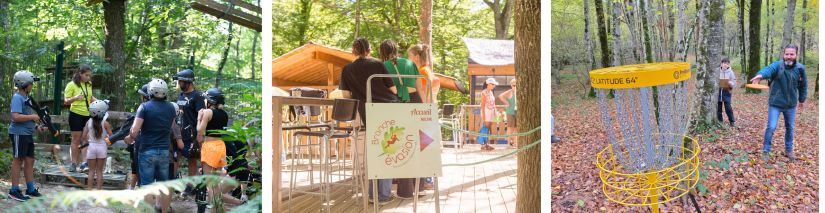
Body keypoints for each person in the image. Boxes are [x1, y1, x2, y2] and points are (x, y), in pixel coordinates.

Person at [338, 38, 398, 205]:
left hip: (367, 112)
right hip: (388, 109)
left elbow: (346, 95)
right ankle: (383, 195)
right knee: (388, 150)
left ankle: (373, 194)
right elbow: (393, 89)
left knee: (375, 152)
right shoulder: (378, 64)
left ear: (353, 51)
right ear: (369, 50)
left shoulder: (347, 69)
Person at [379, 39, 425, 199]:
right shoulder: (410, 63)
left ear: (382, 52)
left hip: (397, 102)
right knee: (417, 144)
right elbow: (420, 87)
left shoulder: (382, 66)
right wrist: (425, 106)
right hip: (415, 101)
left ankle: (405, 191)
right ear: (396, 50)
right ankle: (420, 187)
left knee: (402, 146)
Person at [125, 79, 176, 212]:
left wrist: (129, 138)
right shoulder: (171, 107)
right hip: (164, 151)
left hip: (147, 151)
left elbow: (135, 131)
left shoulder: (144, 107)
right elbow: (171, 127)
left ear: (151, 91)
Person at [749, 44, 808, 161]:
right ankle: (766, 151)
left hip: (790, 105)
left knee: (790, 128)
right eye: (787, 54)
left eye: (792, 54)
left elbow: (803, 85)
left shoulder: (800, 69)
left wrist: (801, 99)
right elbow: (768, 69)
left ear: (796, 55)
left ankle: (788, 150)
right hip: (775, 104)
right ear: (783, 54)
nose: (789, 56)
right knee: (771, 127)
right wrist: (760, 75)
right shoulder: (778, 65)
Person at [8, 71, 47, 201]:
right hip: (18, 133)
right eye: (31, 83)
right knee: (18, 160)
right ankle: (14, 190)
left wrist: (37, 127)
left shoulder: (26, 97)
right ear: (24, 84)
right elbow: (15, 116)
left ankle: (30, 188)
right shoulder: (17, 97)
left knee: (30, 160)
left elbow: (26, 118)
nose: (32, 85)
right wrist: (33, 117)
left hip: (27, 133)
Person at [197, 88, 230, 212]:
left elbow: (200, 130)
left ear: (210, 100)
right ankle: (217, 209)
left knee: (210, 184)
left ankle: (213, 210)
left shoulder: (208, 112)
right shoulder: (224, 114)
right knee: (215, 183)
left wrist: (199, 118)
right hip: (220, 146)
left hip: (210, 147)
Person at [174, 69, 205, 194]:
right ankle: (173, 183)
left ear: (188, 82)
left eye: (181, 81)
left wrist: (199, 134)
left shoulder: (197, 96)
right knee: (175, 158)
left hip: (191, 134)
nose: (179, 83)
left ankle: (190, 186)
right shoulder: (180, 95)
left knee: (191, 160)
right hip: (178, 133)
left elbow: (201, 116)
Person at [64, 64, 96, 172]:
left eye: (89, 75)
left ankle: (84, 163)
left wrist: (100, 102)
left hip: (88, 115)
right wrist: (76, 98)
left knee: (86, 139)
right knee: (76, 140)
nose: (88, 77)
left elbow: (90, 97)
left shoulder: (89, 84)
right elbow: (66, 101)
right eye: (86, 75)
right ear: (80, 74)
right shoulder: (71, 85)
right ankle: (73, 163)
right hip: (76, 115)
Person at [82, 100, 112, 190]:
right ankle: (99, 191)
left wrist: (89, 140)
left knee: (91, 171)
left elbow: (84, 136)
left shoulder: (89, 122)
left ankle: (89, 190)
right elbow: (111, 137)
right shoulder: (105, 123)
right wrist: (106, 139)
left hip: (91, 147)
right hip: (102, 147)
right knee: (99, 171)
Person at [479, 78, 498, 150]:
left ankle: (486, 144)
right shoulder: (484, 92)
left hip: (491, 111)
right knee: (485, 127)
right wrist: (483, 115)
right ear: (488, 84)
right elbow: (482, 105)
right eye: (492, 84)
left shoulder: (491, 92)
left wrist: (495, 112)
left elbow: (494, 103)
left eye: (494, 84)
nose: (494, 86)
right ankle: (483, 144)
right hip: (486, 111)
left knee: (488, 127)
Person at [718, 58, 737, 127]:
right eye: (724, 63)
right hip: (718, 92)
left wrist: (730, 83)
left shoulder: (730, 72)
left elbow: (734, 82)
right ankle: (720, 121)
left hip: (727, 92)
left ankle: (732, 121)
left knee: (728, 108)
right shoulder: (717, 71)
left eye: (727, 64)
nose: (725, 65)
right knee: (718, 108)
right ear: (721, 64)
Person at [499, 79, 518, 146]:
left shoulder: (519, 92)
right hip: (510, 112)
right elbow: (500, 96)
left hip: (517, 112)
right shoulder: (510, 92)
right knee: (510, 128)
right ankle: (508, 143)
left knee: (516, 128)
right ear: (511, 85)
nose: (515, 87)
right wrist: (506, 103)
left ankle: (515, 143)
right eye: (513, 85)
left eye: (516, 85)